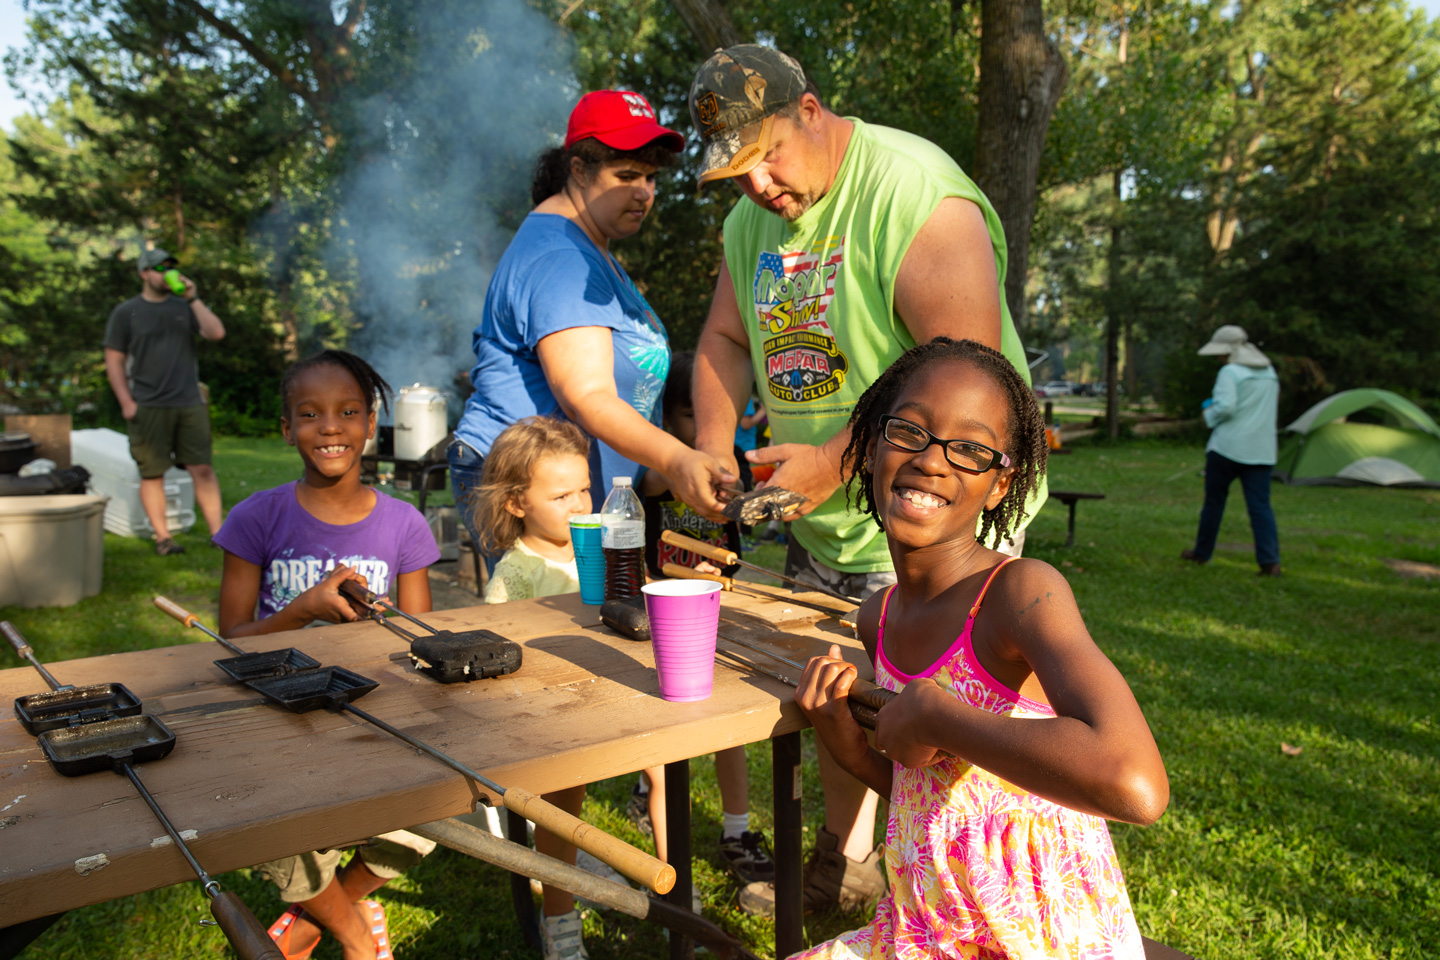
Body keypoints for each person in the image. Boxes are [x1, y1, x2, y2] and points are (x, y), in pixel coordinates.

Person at [674, 44, 1048, 915]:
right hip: (828, 508)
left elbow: (969, 377)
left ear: (810, 109)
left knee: (940, 719)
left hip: (943, 499)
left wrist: (835, 462)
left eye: (768, 154)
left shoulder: (918, 196)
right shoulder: (747, 227)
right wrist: (717, 444)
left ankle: (961, 894)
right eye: (737, 172)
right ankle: (847, 866)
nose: (759, 185)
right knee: (838, 687)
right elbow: (725, 341)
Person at [792, 337, 1168, 958]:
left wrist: (944, 717)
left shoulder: (1019, 594)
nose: (932, 462)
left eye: (969, 449)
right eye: (908, 430)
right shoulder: (876, 619)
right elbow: (947, 806)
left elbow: (1136, 785)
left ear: (1000, 484)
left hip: (1043, 938)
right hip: (927, 932)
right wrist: (851, 751)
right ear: (870, 447)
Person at [448, 89, 733, 575]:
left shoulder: (585, 246)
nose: (644, 192)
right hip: (529, 489)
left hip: (564, 486)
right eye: (625, 175)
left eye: (650, 177)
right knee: (553, 632)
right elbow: (588, 396)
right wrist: (678, 458)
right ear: (578, 170)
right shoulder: (561, 257)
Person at [214, 350, 439, 960]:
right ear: (287, 428)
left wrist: (382, 619)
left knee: (440, 806)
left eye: (348, 412)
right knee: (265, 825)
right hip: (276, 715)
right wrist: (303, 609)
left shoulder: (405, 524)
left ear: (372, 424)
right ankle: (355, 933)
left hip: (373, 713)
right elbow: (229, 638)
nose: (330, 427)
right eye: (310, 414)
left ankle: (315, 917)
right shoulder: (255, 516)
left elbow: (419, 640)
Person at [631, 352, 774, 890]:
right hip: (666, 612)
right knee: (667, 722)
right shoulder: (657, 473)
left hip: (717, 604)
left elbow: (746, 513)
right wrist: (676, 462)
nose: (705, 429)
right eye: (691, 416)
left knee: (727, 720)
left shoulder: (731, 459)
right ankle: (651, 797)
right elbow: (649, 483)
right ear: (666, 421)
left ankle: (736, 830)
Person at [103, 247, 226, 555]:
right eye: (159, 268)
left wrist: (193, 298)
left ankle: (220, 534)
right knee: (153, 472)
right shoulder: (127, 311)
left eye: (170, 267)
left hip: (188, 401)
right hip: (147, 404)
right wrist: (126, 402)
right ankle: (163, 538)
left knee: (203, 468)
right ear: (144, 273)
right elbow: (114, 359)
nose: (166, 272)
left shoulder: (183, 307)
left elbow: (216, 333)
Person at [1181, 324, 1282, 576]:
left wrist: (1208, 413)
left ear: (1227, 351)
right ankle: (1270, 561)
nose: (1218, 358)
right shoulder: (1269, 372)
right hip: (1261, 450)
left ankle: (1202, 553)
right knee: (1260, 506)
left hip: (1227, 447)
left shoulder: (1230, 372)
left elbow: (1225, 407)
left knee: (1214, 503)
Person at [477, 416, 593, 603]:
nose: (580, 506)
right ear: (516, 505)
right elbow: (499, 627)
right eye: (562, 496)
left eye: (585, 490)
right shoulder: (514, 574)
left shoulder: (596, 549)